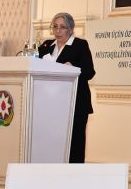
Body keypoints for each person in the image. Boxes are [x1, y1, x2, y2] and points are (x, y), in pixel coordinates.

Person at [38, 12, 95, 163]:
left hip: (75, 104)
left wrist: (73, 69)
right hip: (52, 104)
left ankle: (74, 173)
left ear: (70, 29)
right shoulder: (46, 46)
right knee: (53, 143)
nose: (58, 31)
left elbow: (89, 72)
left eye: (62, 27)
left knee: (75, 144)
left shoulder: (80, 45)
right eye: (55, 27)